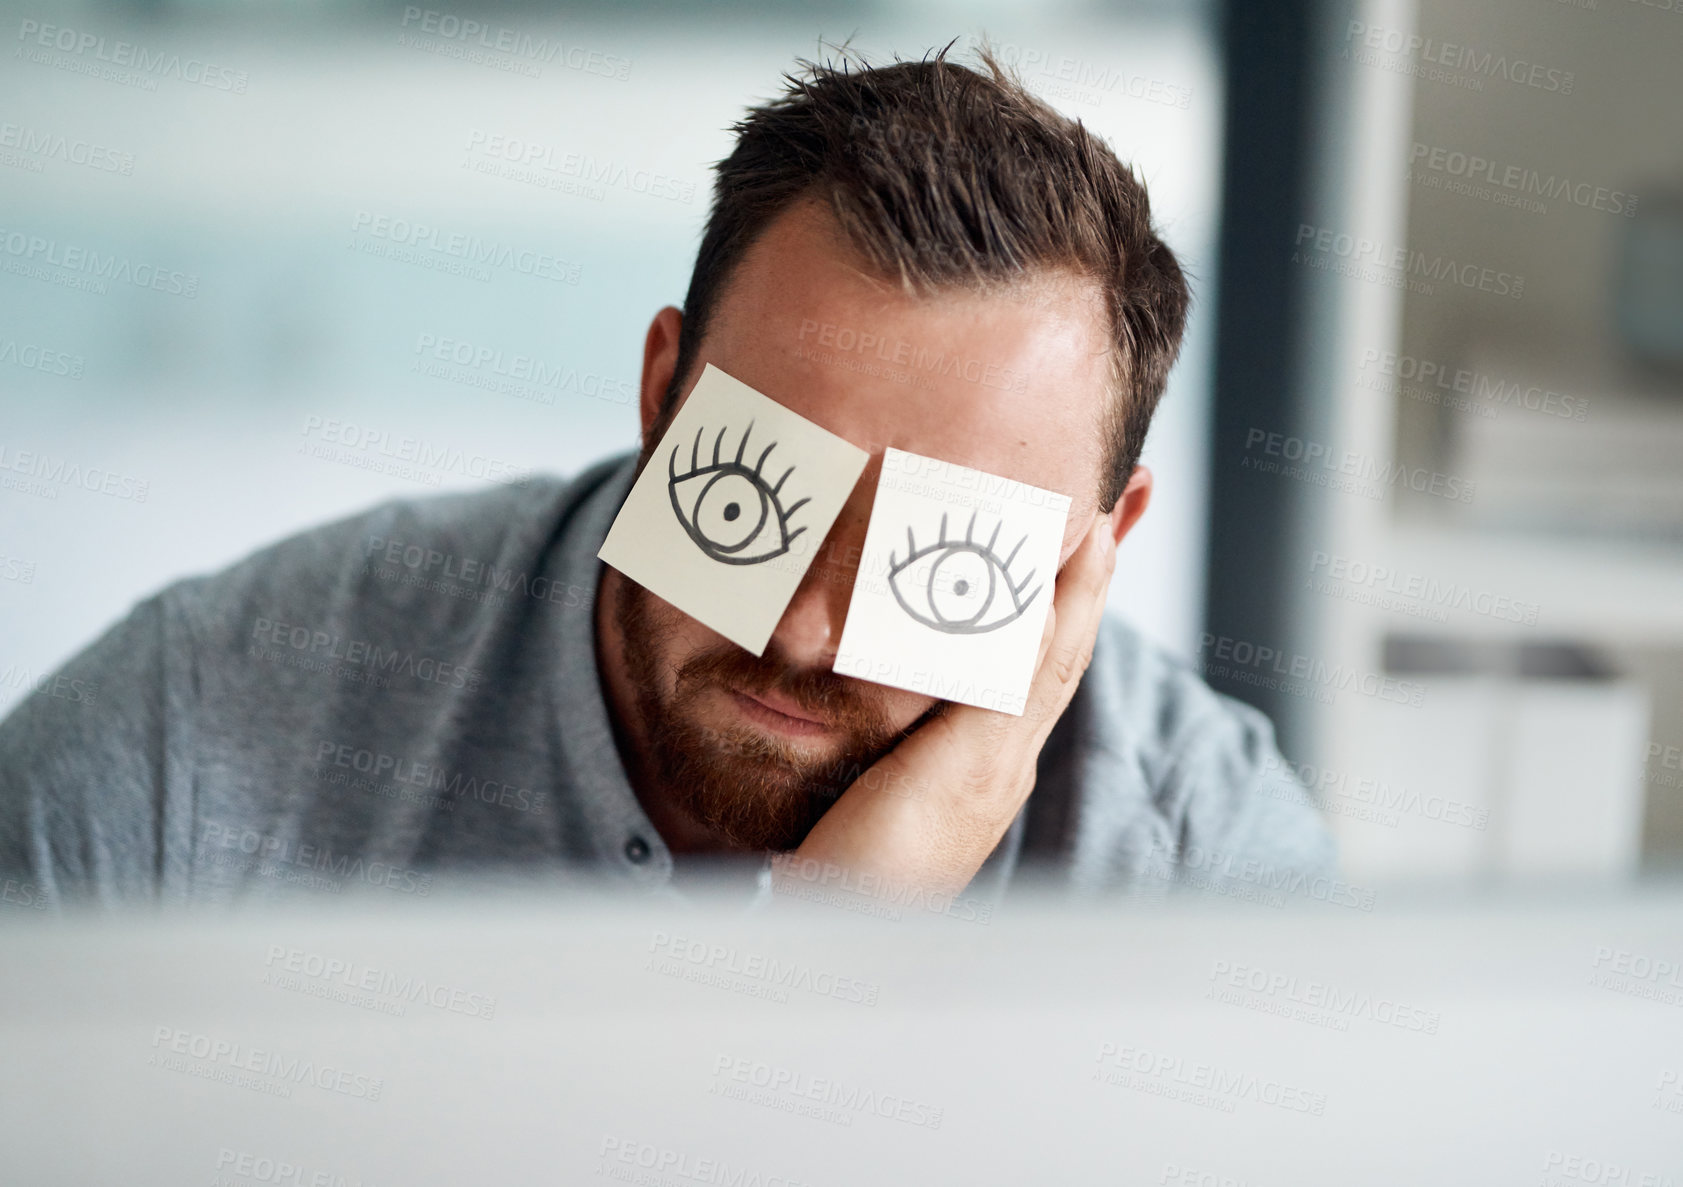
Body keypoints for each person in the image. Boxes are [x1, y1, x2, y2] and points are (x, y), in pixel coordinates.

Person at [0, 47, 1334, 912]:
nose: (803, 629)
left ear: (1092, 554)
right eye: (765, 490)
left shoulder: (1204, 869)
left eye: (946, 554)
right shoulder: (186, 753)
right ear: (661, 393)